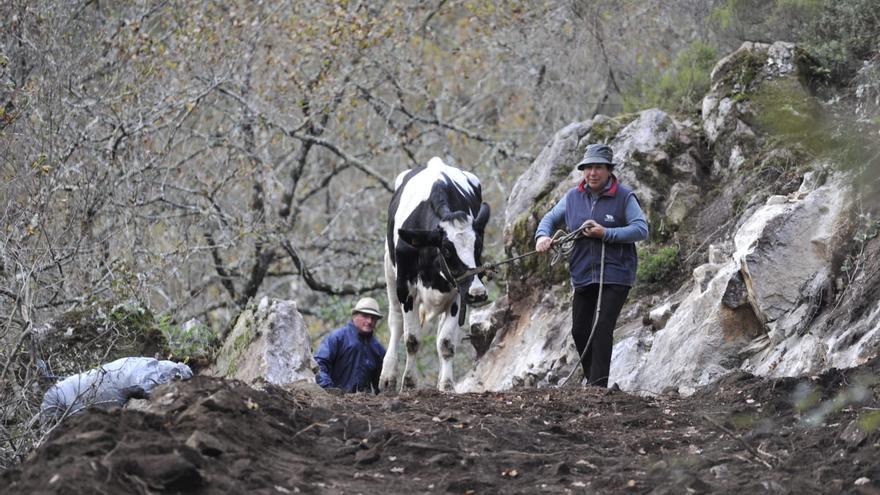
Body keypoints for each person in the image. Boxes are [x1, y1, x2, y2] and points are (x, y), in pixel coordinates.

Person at [534, 143, 649, 387]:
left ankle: (597, 388)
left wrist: (605, 233)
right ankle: (593, 380)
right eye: (587, 168)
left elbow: (641, 229)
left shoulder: (624, 197)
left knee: (602, 328)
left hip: (616, 274)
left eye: (598, 167)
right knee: (579, 330)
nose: (592, 173)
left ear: (609, 170)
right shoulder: (573, 197)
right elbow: (550, 219)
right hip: (583, 272)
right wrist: (543, 236)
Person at [314, 297, 386, 393]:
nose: (369, 321)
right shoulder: (337, 338)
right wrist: (329, 390)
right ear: (354, 316)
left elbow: (381, 385)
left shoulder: (378, 349)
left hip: (365, 405)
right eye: (365, 316)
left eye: (373, 318)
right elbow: (319, 365)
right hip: (333, 402)